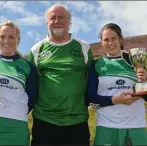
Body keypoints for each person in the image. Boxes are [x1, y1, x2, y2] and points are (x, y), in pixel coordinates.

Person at [28, 4, 94, 146]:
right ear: (47, 22)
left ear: (69, 22)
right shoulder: (36, 50)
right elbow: (30, 84)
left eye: (61, 18)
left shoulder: (83, 47)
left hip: (77, 121)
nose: (57, 21)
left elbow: (92, 80)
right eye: (53, 18)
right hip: (44, 121)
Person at [85, 23, 147, 146]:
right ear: (101, 42)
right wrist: (116, 100)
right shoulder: (96, 65)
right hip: (107, 127)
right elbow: (89, 98)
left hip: (136, 126)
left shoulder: (134, 60)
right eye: (106, 39)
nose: (110, 42)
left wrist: (144, 81)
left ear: (120, 39)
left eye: (114, 38)